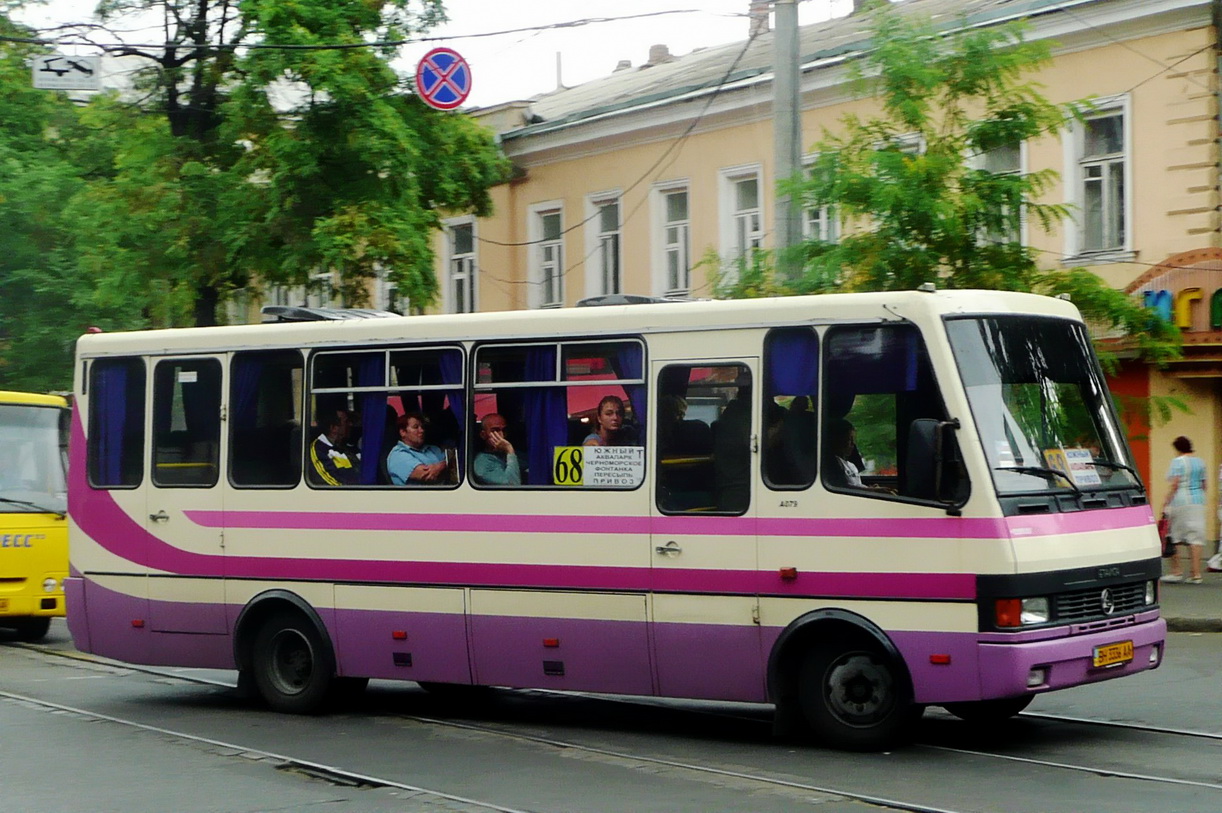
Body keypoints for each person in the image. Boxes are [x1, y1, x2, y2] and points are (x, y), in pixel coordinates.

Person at [1161, 435, 1207, 583]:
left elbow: (1175, 484)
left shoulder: (1177, 462)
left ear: (1177, 449)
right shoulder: (1201, 463)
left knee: (1174, 535)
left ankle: (1177, 571)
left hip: (1180, 501)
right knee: (1196, 538)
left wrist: (1166, 501)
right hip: (1198, 501)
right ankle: (1196, 574)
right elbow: (1204, 485)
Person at [387, 411, 448, 485]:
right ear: (403, 432)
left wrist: (440, 467)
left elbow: (454, 467)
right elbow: (427, 475)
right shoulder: (397, 455)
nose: (422, 430)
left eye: (422, 427)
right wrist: (445, 465)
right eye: (416, 427)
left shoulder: (434, 449)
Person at [309, 409, 360, 486]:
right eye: (345, 422)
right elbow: (333, 484)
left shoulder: (345, 447)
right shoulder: (319, 450)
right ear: (333, 428)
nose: (350, 424)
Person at [473, 412, 521, 485]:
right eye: (495, 431)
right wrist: (509, 450)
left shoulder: (508, 455)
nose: (502, 436)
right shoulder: (482, 463)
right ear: (483, 435)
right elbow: (512, 485)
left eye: (504, 431)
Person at [825, 417, 863, 487]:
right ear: (837, 441)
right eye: (849, 439)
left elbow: (856, 485)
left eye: (853, 440)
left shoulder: (851, 465)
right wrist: (870, 490)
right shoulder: (833, 464)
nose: (853, 445)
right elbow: (843, 487)